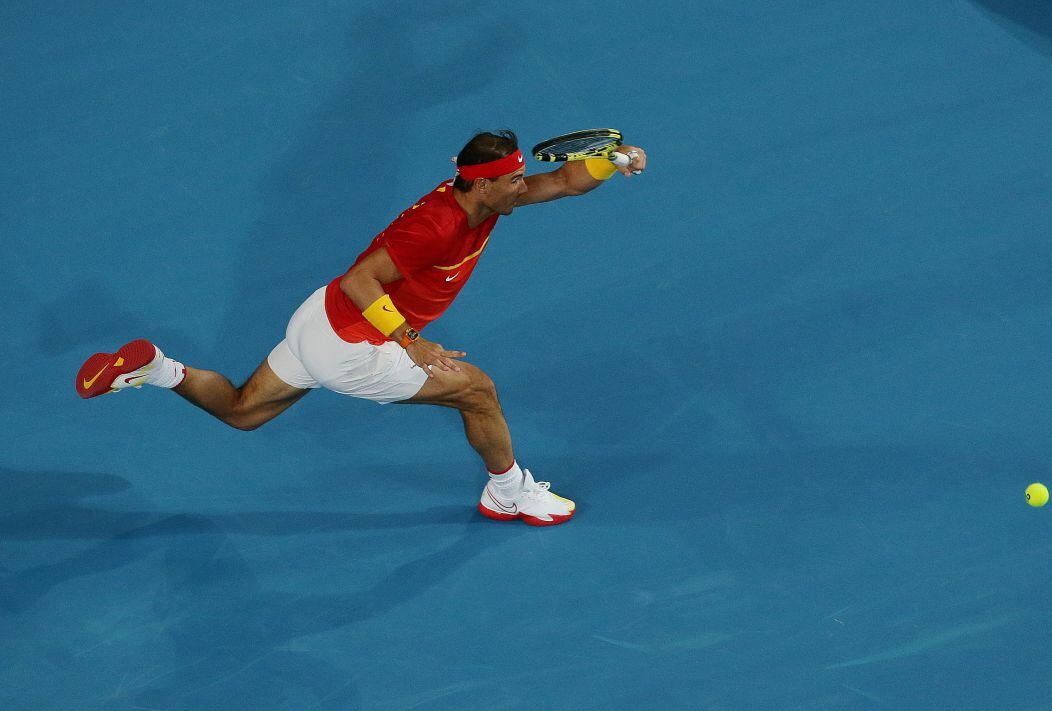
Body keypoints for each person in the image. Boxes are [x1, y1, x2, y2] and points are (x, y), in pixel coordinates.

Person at [75, 130, 647, 526]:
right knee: (478, 392)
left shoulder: (486, 200)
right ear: (480, 185)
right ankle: (508, 493)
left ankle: (158, 368)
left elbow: (567, 182)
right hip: (351, 344)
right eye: (513, 180)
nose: (524, 186)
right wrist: (412, 342)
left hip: (315, 321)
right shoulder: (435, 227)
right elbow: (360, 282)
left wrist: (615, 161)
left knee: (243, 411)